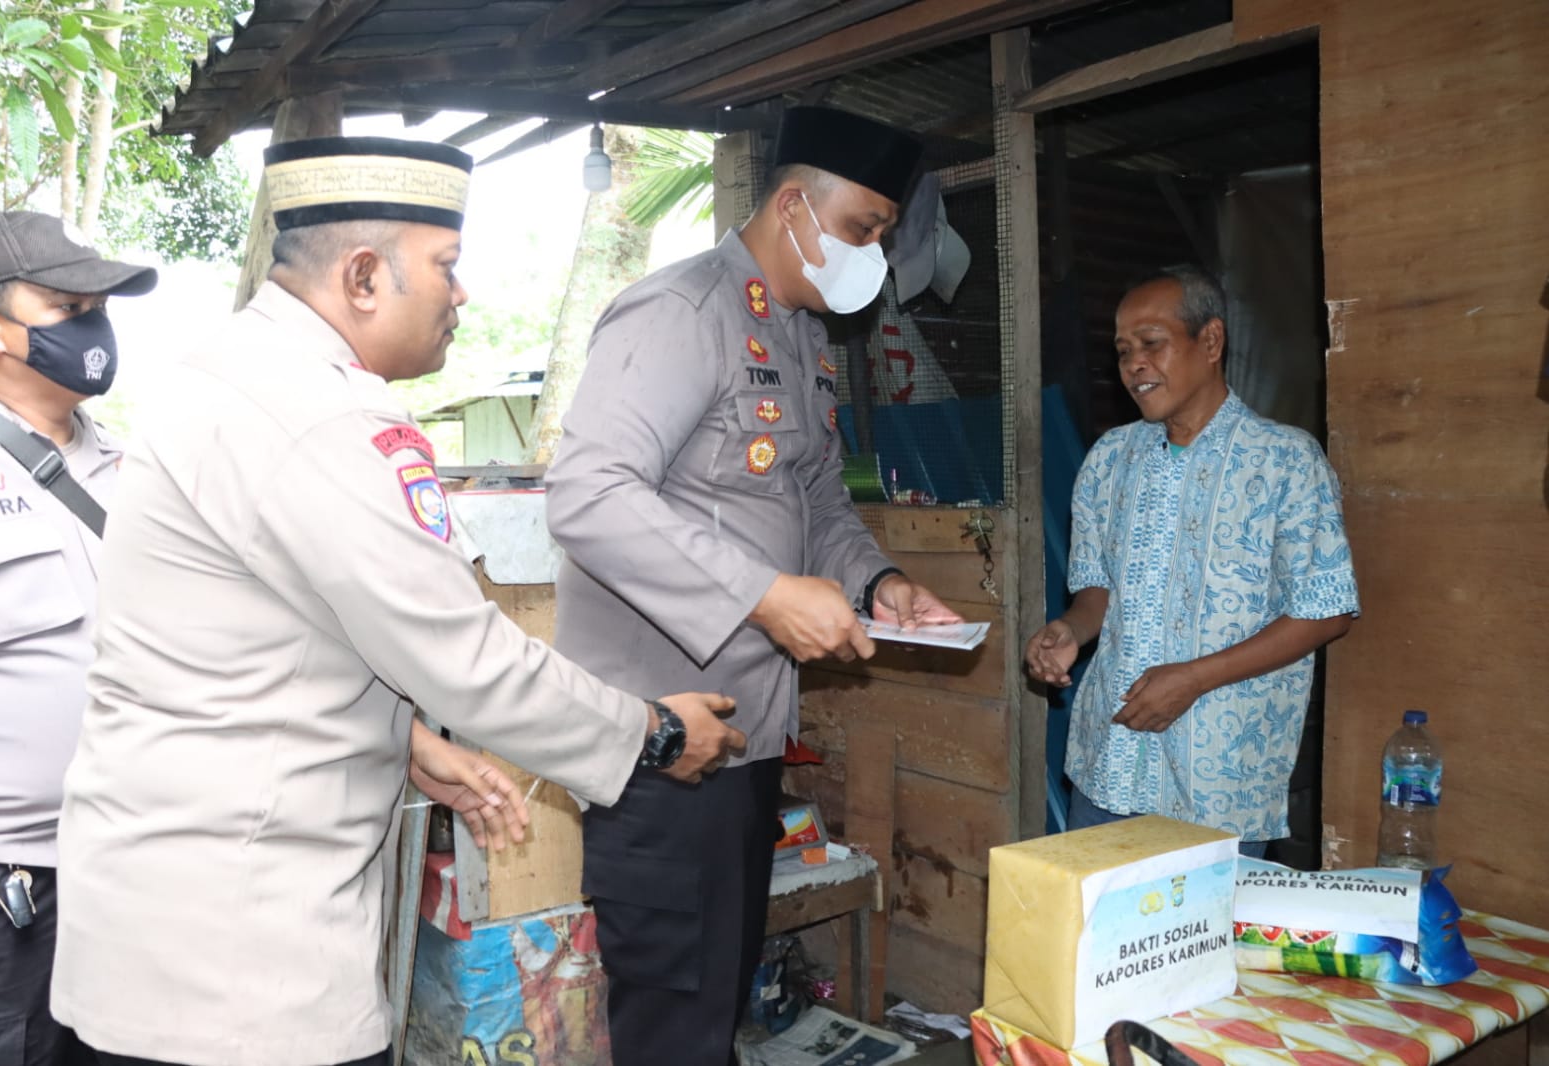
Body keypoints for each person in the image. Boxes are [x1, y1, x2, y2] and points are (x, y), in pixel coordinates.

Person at [48, 137, 744, 1066]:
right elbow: (469, 662)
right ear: (365, 276)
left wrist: (401, 740)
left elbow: (251, 639)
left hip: (154, 926)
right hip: (237, 968)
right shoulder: (323, 416)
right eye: (447, 268)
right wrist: (653, 733)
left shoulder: (225, 372)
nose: (463, 295)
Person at [545, 106, 961, 1064]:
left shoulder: (801, 335)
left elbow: (812, 494)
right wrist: (762, 594)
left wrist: (879, 580)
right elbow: (588, 494)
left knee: (713, 1002)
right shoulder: (681, 313)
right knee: (671, 1022)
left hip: (746, 742)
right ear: (792, 204)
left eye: (882, 237)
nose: (872, 253)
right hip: (660, 749)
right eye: (861, 229)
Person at [1024, 265, 1360, 857]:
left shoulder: (1284, 461)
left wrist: (1194, 678)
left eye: (1152, 344)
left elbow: (1326, 612)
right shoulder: (1109, 460)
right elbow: (1099, 590)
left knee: (1202, 948)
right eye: (1124, 350)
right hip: (1112, 759)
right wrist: (1070, 631)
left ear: (1210, 341)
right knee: (1093, 942)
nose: (1134, 364)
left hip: (1218, 781)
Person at [0, 210, 158, 1066]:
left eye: (94, 306)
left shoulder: (125, 464)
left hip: (118, 870)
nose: (93, 325)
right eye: (65, 306)